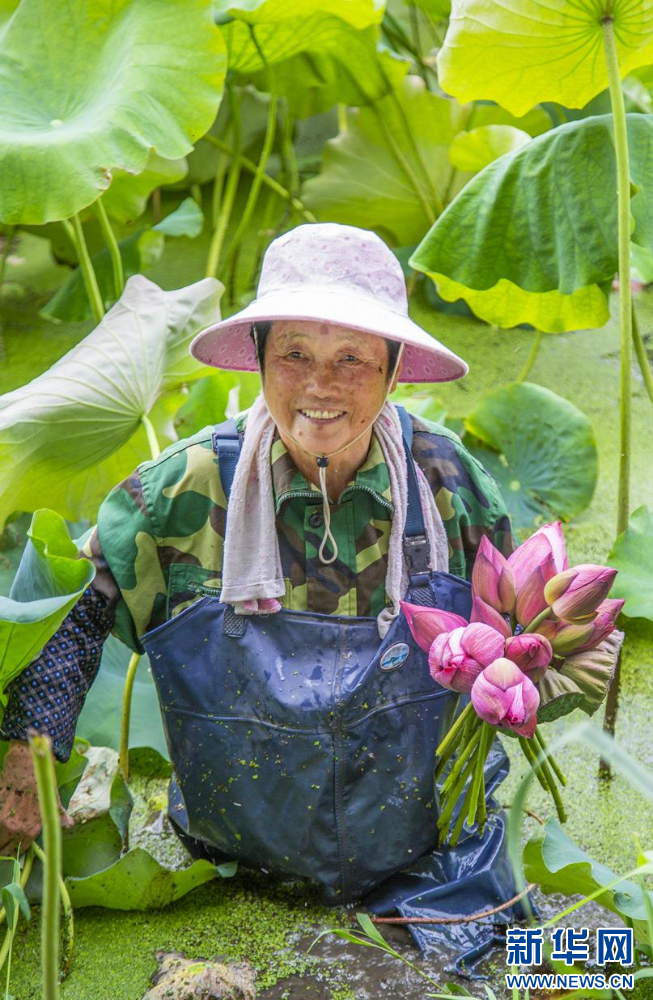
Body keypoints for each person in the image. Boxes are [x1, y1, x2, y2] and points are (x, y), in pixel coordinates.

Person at [0, 223, 522, 962]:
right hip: (222, 873)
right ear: (260, 361)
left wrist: (554, 666)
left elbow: (523, 629)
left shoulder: (448, 484)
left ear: (393, 370)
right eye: (295, 355)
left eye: (352, 359)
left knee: (578, 961)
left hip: (434, 871)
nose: (320, 386)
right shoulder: (179, 493)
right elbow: (69, 610)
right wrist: (28, 752)